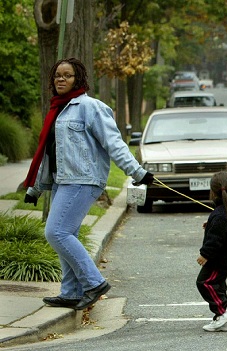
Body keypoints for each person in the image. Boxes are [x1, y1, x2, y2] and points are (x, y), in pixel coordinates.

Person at [23, 58, 153, 310]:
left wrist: (137, 172)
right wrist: (35, 188)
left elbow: (113, 143)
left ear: (78, 79)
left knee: (56, 232)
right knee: (66, 233)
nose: (60, 79)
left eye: (67, 75)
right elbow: (48, 153)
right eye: (57, 75)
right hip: (62, 180)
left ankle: (94, 283)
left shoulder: (91, 107)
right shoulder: (57, 109)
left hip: (83, 179)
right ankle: (71, 292)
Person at [197, 172, 227, 332]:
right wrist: (209, 224)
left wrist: (205, 254)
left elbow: (215, 240)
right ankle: (223, 320)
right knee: (218, 284)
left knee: (205, 282)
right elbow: (222, 230)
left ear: (213, 192)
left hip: (218, 260)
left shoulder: (220, 214)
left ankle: (224, 309)